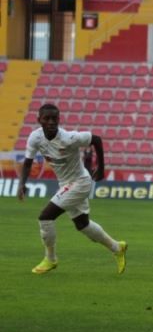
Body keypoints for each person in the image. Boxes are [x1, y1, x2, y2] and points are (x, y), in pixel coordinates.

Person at [16, 103, 127, 275]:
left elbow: (96, 139)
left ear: (59, 119)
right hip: (66, 184)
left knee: (45, 217)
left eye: (54, 118)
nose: (51, 122)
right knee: (83, 225)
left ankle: (50, 259)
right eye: (47, 118)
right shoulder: (35, 138)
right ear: (39, 120)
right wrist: (22, 183)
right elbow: (28, 162)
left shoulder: (69, 138)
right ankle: (117, 247)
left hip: (80, 182)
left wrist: (101, 167)